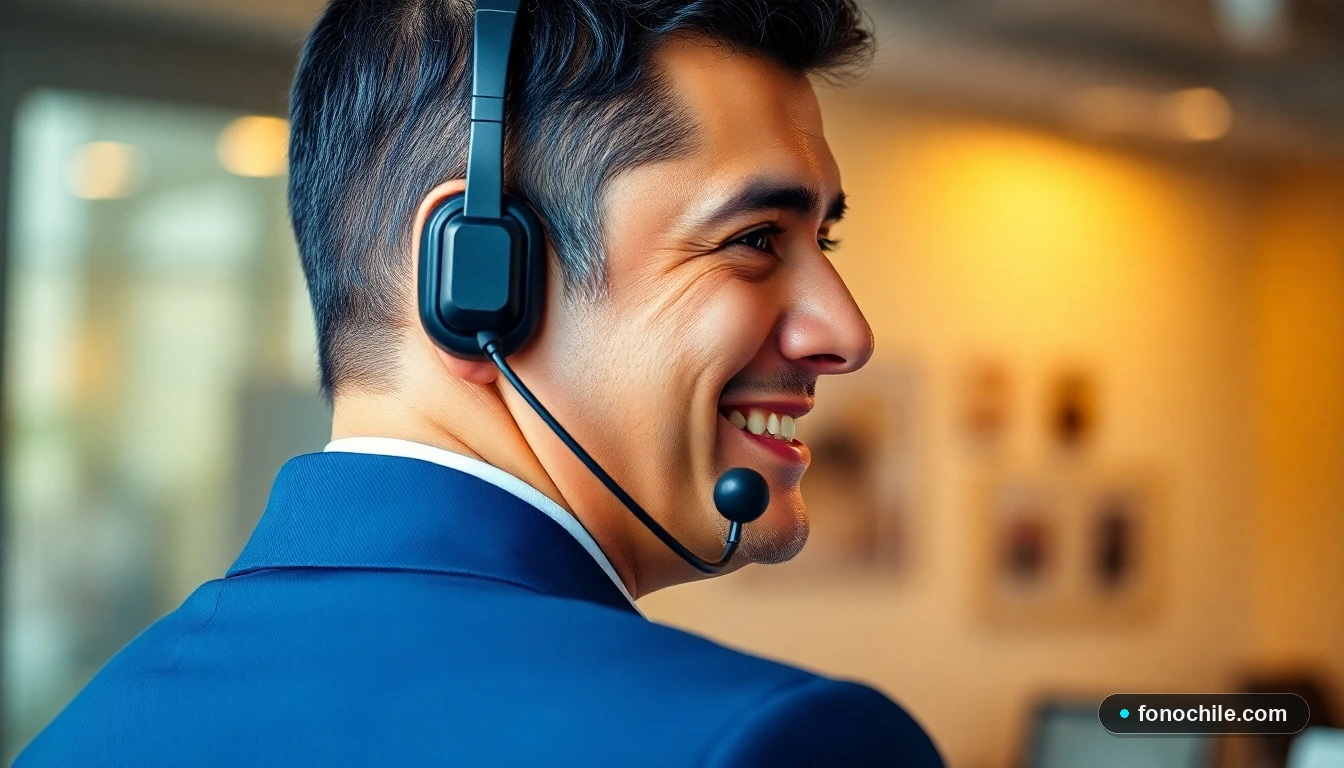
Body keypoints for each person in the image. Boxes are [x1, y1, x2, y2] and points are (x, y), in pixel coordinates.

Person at [17, 1, 944, 765]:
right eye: (753, 241)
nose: (847, 335)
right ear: (477, 281)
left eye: (823, 241)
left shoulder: (85, 734)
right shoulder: (768, 742)